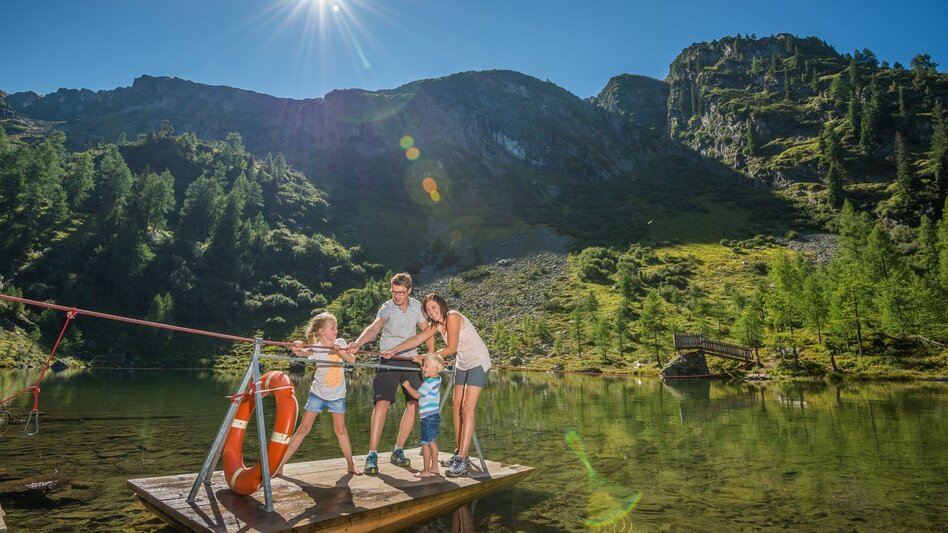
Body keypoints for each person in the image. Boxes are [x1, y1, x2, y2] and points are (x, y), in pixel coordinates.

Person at [381, 292, 491, 477]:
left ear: (441, 305)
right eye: (427, 309)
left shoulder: (453, 317)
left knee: (467, 408)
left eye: (434, 307)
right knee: (456, 407)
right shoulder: (436, 325)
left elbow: (452, 348)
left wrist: (425, 357)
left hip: (478, 361)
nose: (431, 312)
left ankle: (462, 459)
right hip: (462, 363)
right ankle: (459, 451)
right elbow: (417, 339)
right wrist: (394, 350)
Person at [346, 272, 434, 475]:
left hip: (410, 359)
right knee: (382, 403)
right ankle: (372, 454)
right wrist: (358, 343)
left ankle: (398, 450)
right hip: (388, 358)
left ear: (409, 290)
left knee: (414, 402)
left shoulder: (416, 307)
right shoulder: (386, 307)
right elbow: (375, 327)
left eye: (401, 293)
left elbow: (426, 330)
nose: (396, 296)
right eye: (394, 292)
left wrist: (430, 356)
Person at [276, 312, 362, 476]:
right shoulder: (316, 348)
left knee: (340, 430)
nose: (336, 331)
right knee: (303, 429)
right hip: (317, 394)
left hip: (337, 396)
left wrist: (339, 351)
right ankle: (280, 465)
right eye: (332, 328)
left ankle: (350, 464)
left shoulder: (341, 343)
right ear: (321, 331)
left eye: (336, 327)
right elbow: (301, 353)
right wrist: (296, 347)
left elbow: (352, 360)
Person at [401, 352, 445, 478]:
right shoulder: (437, 379)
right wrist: (421, 362)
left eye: (426, 366)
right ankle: (434, 467)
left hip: (427, 418)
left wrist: (408, 386)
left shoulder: (428, 383)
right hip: (434, 415)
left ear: (435, 369)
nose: (423, 368)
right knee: (432, 442)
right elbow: (429, 368)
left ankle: (426, 470)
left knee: (425, 443)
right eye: (424, 366)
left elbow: (416, 395)